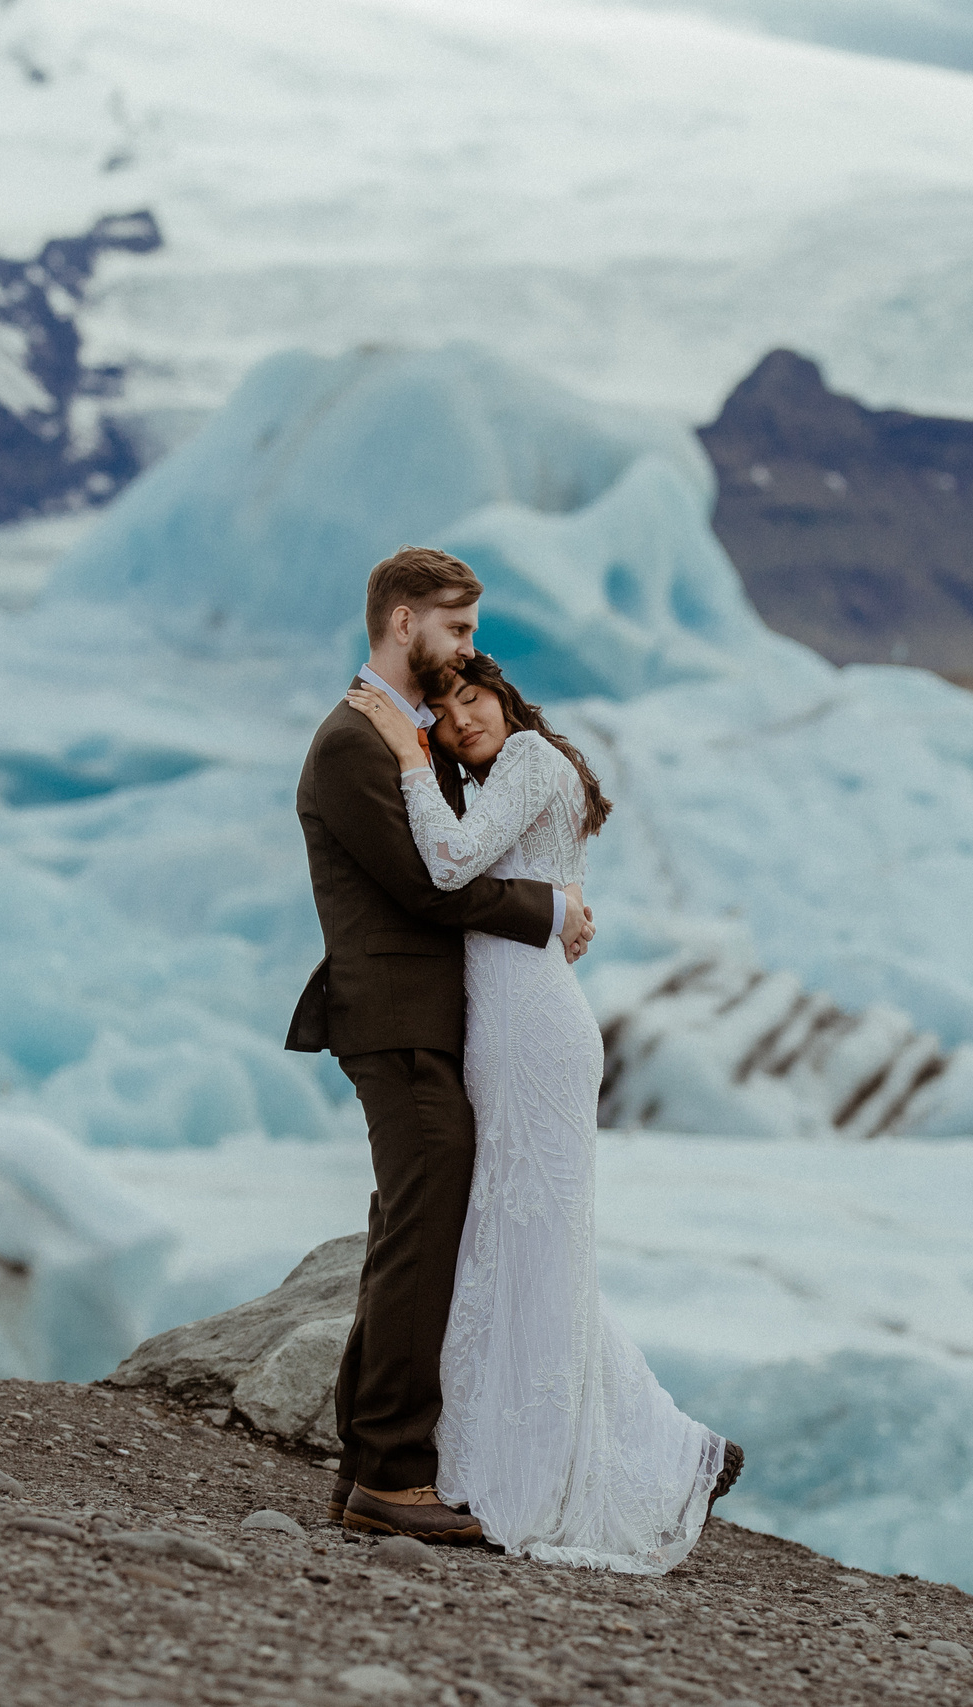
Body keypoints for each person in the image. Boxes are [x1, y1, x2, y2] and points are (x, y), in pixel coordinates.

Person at [339, 648, 744, 1574]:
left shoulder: (523, 759)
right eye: (440, 712)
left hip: (530, 1028)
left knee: (531, 1234)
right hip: (511, 1018)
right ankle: (652, 1439)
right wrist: (557, 904)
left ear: (505, 698)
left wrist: (405, 754)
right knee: (518, 1236)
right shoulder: (501, 776)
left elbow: (446, 863)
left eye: (470, 696)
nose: (458, 719)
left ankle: (652, 1448)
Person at [287, 545, 596, 1545]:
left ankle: (367, 1471)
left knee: (407, 1235)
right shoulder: (352, 743)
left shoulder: (405, 736)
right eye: (456, 629)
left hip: (432, 1025)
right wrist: (547, 909)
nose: (469, 649)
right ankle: (392, 1476)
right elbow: (429, 887)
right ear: (403, 622)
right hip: (397, 1024)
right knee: (423, 1238)